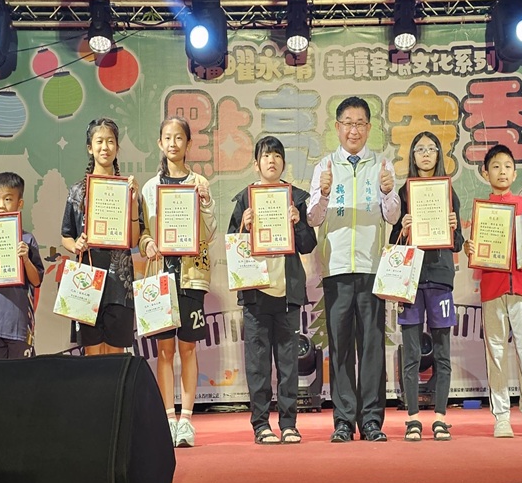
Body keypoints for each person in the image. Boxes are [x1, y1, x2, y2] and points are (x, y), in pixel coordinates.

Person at [307, 97, 400, 443]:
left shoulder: (382, 165)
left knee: (372, 346)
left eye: (360, 123)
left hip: (372, 268)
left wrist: (388, 193)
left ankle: (372, 420)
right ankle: (344, 420)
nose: (354, 130)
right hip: (336, 269)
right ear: (337, 127)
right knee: (341, 347)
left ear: (369, 128)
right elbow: (312, 218)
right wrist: (323, 194)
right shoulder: (325, 166)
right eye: (348, 123)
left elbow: (393, 215)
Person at [227, 136, 318, 445]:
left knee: (289, 363)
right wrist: (243, 225)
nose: (272, 160)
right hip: (256, 293)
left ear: (283, 163)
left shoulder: (296, 199)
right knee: (258, 364)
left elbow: (308, 245)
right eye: (266, 156)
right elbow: (232, 243)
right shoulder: (245, 199)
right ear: (257, 164)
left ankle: (289, 424)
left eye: (277, 156)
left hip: (287, 292)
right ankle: (261, 425)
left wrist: (298, 222)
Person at [140, 116, 217, 448]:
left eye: (179, 138)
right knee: (164, 350)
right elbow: (143, 231)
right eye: (167, 138)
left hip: (191, 277)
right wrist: (147, 244)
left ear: (188, 144)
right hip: (160, 277)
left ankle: (186, 420)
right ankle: (168, 419)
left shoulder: (199, 183)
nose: (173, 143)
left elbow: (209, 233)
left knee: (187, 348)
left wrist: (205, 203)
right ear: (160, 143)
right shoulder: (149, 188)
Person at [466, 143, 522, 438]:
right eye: (496, 166)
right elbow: (477, 251)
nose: (502, 171)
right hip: (492, 288)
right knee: (496, 354)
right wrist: (471, 248)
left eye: (508, 166)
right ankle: (501, 416)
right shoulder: (482, 209)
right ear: (485, 173)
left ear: (515, 173)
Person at [391, 132, 463, 442]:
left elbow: (457, 243)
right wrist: (404, 228)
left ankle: (441, 417)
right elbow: (394, 241)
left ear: (438, 155)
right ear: (412, 155)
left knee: (442, 352)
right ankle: (412, 418)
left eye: (431, 148)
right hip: (411, 279)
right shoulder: (403, 194)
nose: (425, 154)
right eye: (419, 149)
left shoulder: (449, 193)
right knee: (411, 353)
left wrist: (454, 228)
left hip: (440, 278)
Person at [60, 118, 147, 356]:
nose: (105, 147)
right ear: (90, 147)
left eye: (110, 142)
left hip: (119, 285)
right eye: (99, 141)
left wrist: (132, 202)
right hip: (86, 281)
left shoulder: (128, 189)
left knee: (116, 358)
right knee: (93, 357)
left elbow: (133, 241)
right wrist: (76, 245)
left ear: (117, 147)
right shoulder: (77, 191)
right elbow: (66, 236)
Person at [0, 172, 45, 359]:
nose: (1, 205)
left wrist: (25, 259)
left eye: (8, 199)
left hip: (19, 325)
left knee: (21, 375)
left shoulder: (26, 239)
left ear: (20, 203)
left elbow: (36, 280)